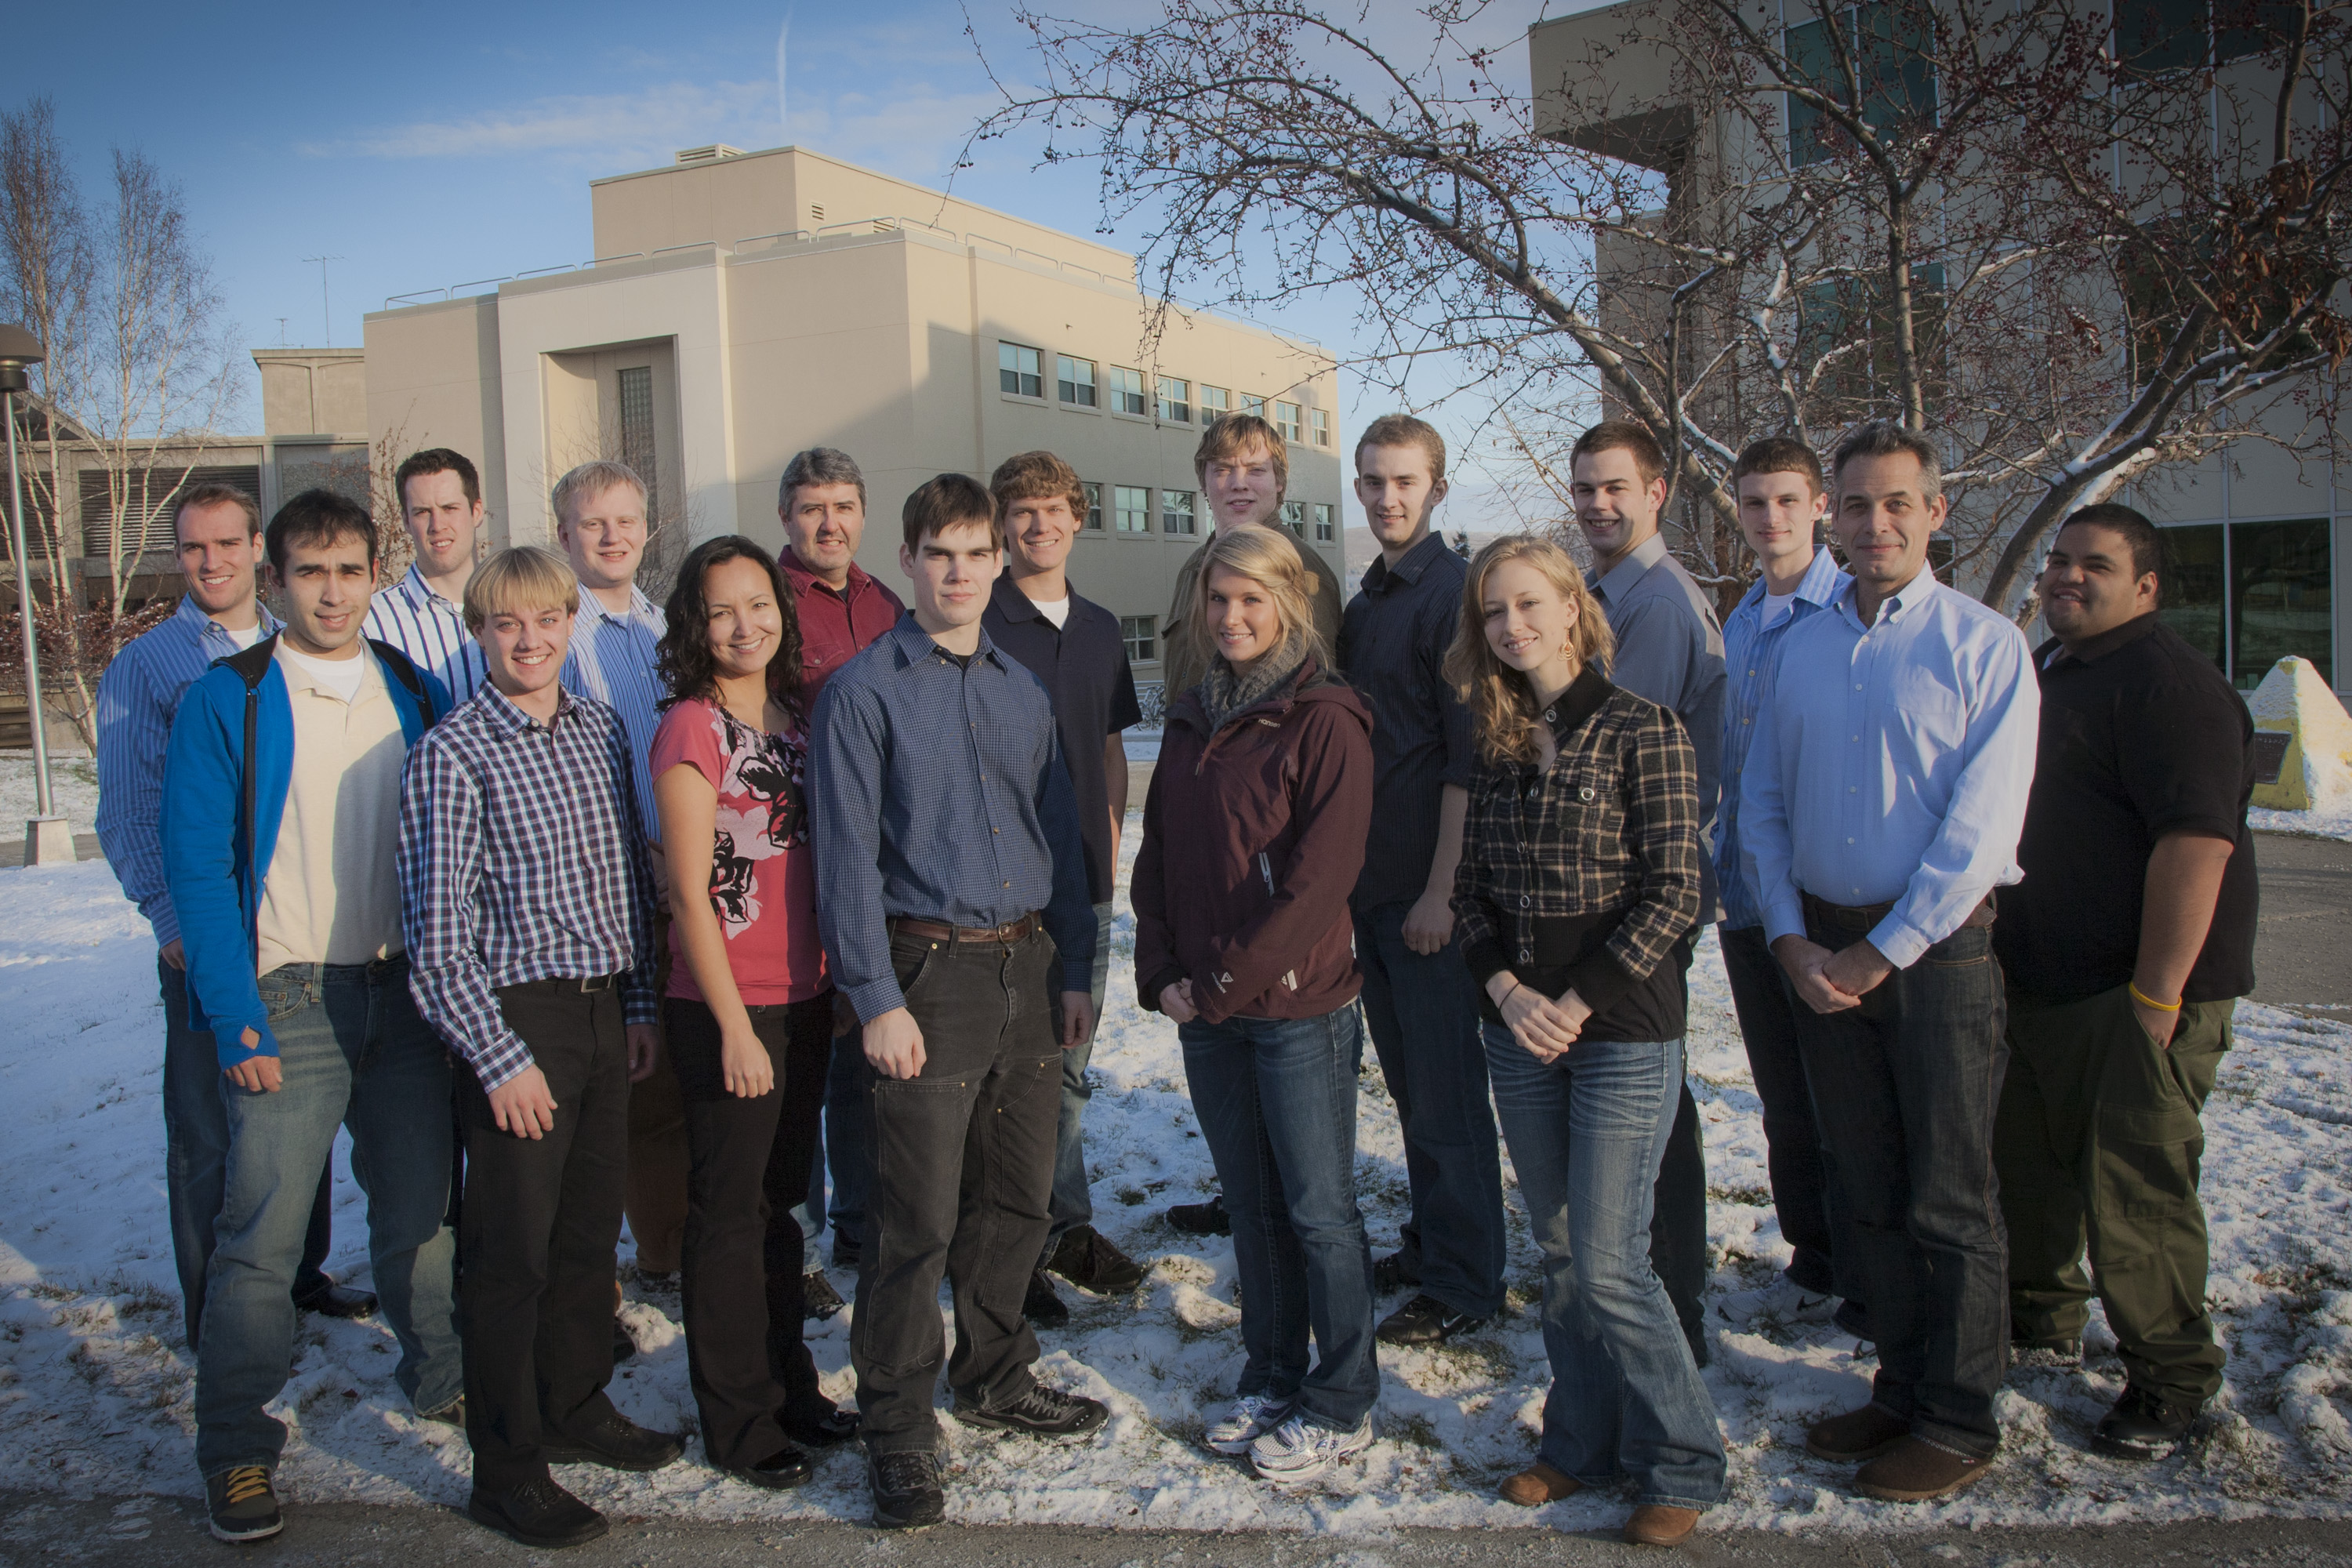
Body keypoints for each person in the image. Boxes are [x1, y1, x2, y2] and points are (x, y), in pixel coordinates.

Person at [1742, 421, 2039, 1503]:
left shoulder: (1983, 648)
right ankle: (1900, 1384)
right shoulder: (1801, 647)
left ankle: (1958, 1419)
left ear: (1936, 513)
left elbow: (1982, 834)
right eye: (1857, 504)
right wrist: (1786, 933)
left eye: (1897, 504)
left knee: (1950, 1195)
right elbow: (1763, 804)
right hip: (1818, 947)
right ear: (1833, 512)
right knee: (1864, 1182)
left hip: (1937, 953)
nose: (1875, 524)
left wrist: (1881, 951)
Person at [160, 488, 461, 1544]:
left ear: (373, 574)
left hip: (403, 995)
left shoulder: (410, 688)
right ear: (274, 581)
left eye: (348, 570)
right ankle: (237, 1445)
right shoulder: (229, 697)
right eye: (309, 572)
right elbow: (195, 867)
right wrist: (233, 1018)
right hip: (287, 998)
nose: (331, 592)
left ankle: (443, 1383)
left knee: (421, 1218)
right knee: (262, 1238)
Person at [809, 474, 1107, 1530]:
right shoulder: (863, 692)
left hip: (1027, 969)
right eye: (941, 553)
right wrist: (875, 996)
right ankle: (896, 1425)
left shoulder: (1020, 688)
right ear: (909, 561)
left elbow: (1062, 836)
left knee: (1018, 1198)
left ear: (998, 561)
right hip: (925, 978)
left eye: (977, 552)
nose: (962, 571)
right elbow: (843, 863)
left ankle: (996, 1371)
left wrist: (1074, 969)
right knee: (916, 1221)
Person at [401, 546, 681, 1550]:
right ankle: (507, 1462)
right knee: (510, 1253)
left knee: (583, 1235)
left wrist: (641, 1006)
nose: (529, 640)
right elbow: (436, 943)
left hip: (606, 1008)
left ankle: (575, 1400)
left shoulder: (601, 728)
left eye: (545, 621)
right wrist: (499, 1056)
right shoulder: (455, 751)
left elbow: (621, 877)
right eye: (506, 624)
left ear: (570, 623)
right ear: (479, 633)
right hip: (518, 1020)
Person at [1448, 535, 1722, 1548]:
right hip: (1520, 1030)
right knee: (1561, 1256)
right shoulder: (1501, 743)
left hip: (1622, 1028)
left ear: (1573, 608)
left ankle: (1681, 1458)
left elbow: (1676, 892)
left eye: (1529, 604)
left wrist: (1578, 998)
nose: (1511, 626)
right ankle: (1580, 1441)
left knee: (1613, 1261)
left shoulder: (1643, 730)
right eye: (1493, 612)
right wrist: (1510, 990)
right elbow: (1470, 897)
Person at [1994, 503, 2256, 1461]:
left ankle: (2172, 1378)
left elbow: (2196, 845)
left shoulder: (2168, 686)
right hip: (2048, 984)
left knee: (2134, 1191)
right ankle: (2040, 1315)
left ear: (2146, 586)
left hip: (2139, 993)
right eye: (2059, 560)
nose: (2067, 576)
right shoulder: (2058, 669)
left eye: (2094, 565)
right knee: (2031, 1167)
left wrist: (2157, 995)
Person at [93, 483, 365, 1355]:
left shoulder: (302, 642)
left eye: (225, 544)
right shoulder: (150, 664)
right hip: (211, 937)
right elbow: (129, 810)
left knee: (301, 1109)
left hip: (305, 933)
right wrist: (174, 923)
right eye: (192, 548)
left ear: (260, 550)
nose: (209, 562)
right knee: (210, 1130)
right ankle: (217, 1308)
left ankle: (298, 1272)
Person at [1134, 527, 1379, 1482]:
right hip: (1207, 1010)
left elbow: (1320, 884)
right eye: (1218, 600)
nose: (1232, 617)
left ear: (1290, 601)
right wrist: (1162, 974)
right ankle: (1272, 1371)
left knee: (1320, 1210)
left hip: (1296, 1009)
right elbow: (1154, 857)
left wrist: (1226, 983)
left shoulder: (1325, 716)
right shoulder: (1194, 716)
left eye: (1252, 599)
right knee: (1254, 1204)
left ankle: (1343, 1396)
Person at [651, 535, 857, 1487]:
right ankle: (737, 1419)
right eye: (723, 610)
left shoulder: (802, 716)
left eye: (760, 604)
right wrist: (734, 1025)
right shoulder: (692, 727)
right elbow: (691, 893)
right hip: (729, 1007)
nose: (747, 625)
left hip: (806, 994)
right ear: (696, 624)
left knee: (780, 1209)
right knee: (729, 1215)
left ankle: (789, 1383)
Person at [1160, 411, 1344, 1241]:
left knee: (1282, 1068)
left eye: (1256, 468)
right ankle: (1244, 1193)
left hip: (1273, 869)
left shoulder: (1306, 577)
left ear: (1280, 483)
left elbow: (1314, 727)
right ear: (1203, 482)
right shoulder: (1188, 575)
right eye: (1223, 468)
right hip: (1205, 854)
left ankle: (1274, 1209)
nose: (1239, 481)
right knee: (1229, 1071)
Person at [1338, 415, 1502, 1345]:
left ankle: (1468, 1280)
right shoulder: (1369, 600)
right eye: (1372, 481)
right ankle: (1433, 1242)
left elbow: (1464, 760)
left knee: (1446, 1095)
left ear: (1437, 488)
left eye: (1404, 481)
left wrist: (1443, 889)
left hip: (1424, 898)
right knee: (1409, 1090)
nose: (1387, 497)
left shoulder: (1453, 595)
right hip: (1372, 892)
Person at [980, 449, 1149, 1327]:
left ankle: (1066, 1228)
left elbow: (1113, 745)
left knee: (1072, 1066)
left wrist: (1113, 838)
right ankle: (1013, 1243)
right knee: (1013, 1072)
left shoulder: (1098, 626)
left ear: (1077, 517)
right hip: (1003, 884)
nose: (1038, 525)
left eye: (1052, 509)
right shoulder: (979, 617)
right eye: (1021, 511)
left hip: (1084, 877)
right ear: (1001, 524)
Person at [1570, 420, 1725, 1365]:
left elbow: (1606, 749)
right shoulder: (1605, 591)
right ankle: (1637, 1281)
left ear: (1656, 490)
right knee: (1637, 1098)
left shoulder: (1658, 606)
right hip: (1610, 889)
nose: (1598, 505)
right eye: (1585, 489)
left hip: (1644, 895)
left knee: (1652, 1105)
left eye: (1615, 488)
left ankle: (1674, 1302)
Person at [1712, 438, 1852, 1326]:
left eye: (1788, 501)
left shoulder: (1845, 615)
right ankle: (1814, 1252)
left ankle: (1863, 1259)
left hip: (1821, 896)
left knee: (1843, 1094)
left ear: (1821, 506)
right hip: (1744, 892)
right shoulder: (1742, 618)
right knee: (1784, 1098)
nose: (1772, 519)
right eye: (1755, 502)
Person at [552, 461, 684, 1340]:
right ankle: (584, 1277)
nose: (611, 536)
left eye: (626, 521)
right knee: (595, 1096)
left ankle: (664, 1250)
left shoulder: (667, 626)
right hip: (592, 887)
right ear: (564, 532)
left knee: (662, 1087)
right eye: (593, 523)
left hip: (673, 884)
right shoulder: (548, 630)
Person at [775, 446, 906, 1292]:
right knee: (795, 1065)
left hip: (882, 859)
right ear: (787, 514)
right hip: (793, 856)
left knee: (863, 1051)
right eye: (814, 506)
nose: (830, 522)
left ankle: (859, 1222)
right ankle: (793, 1240)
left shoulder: (888, 602)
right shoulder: (765, 600)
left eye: (845, 506)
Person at [365, 447, 492, 704]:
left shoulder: (519, 607)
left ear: (476, 512)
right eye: (423, 512)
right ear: (406, 521)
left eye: (449, 508)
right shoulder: (371, 623)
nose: (437, 525)